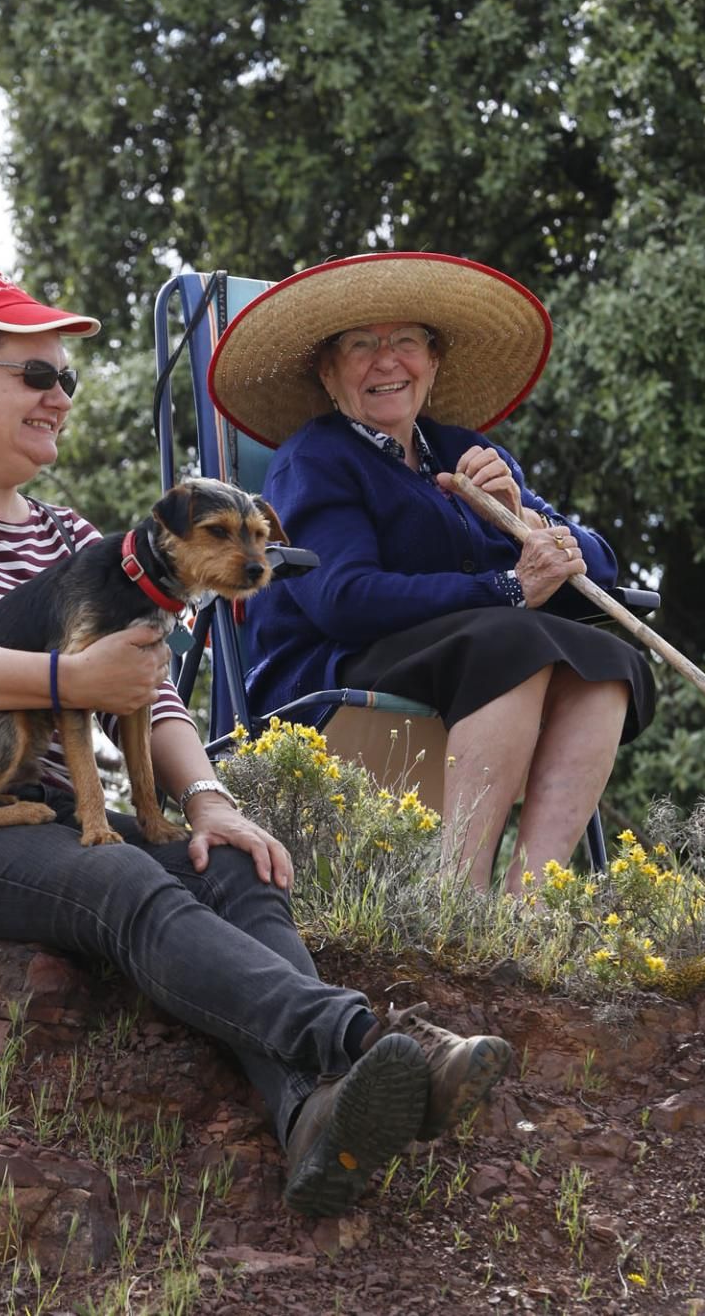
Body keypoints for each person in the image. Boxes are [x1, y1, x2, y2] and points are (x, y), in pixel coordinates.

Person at [0, 263, 514, 1218]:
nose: (61, 395)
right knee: (119, 880)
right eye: (35, 374)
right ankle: (359, 1039)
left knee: (233, 869)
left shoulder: (68, 533)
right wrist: (68, 681)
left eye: (68, 379)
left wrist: (211, 802)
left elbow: (155, 691)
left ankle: (314, 1115)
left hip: (44, 813)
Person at [207, 251, 655, 890]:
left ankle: (532, 905)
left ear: (433, 362)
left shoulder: (468, 452)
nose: (386, 360)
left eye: (407, 342)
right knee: (515, 640)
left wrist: (520, 515)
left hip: (459, 667)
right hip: (325, 680)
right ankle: (458, 900)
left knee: (605, 660)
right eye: (361, 345)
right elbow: (341, 599)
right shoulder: (313, 459)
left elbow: (597, 567)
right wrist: (506, 588)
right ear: (329, 375)